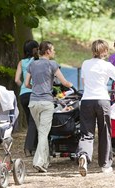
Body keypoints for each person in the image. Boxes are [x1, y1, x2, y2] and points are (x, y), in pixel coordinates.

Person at [76, 39, 115, 177]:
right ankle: (105, 165)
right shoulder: (108, 66)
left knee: (86, 133)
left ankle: (83, 156)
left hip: (87, 101)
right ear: (105, 51)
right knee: (104, 132)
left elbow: (84, 81)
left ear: (92, 50)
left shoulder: (85, 63)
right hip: (102, 101)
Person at [25, 41, 73, 173]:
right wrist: (70, 84)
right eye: (53, 50)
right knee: (43, 133)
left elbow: (26, 83)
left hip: (33, 102)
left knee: (42, 132)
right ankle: (38, 162)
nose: (54, 52)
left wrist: (35, 88)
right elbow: (64, 82)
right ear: (47, 51)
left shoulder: (32, 64)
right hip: (46, 102)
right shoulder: (52, 64)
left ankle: (45, 162)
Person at [15, 40, 39, 157]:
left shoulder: (22, 62)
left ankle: (33, 147)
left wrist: (23, 88)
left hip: (23, 95)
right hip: (34, 93)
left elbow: (17, 80)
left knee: (32, 122)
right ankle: (28, 148)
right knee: (34, 121)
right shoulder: (37, 61)